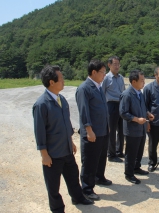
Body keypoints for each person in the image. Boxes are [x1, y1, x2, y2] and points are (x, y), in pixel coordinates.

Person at [33, 65, 93, 213]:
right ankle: (57, 208)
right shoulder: (41, 104)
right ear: (51, 82)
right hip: (53, 154)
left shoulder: (62, 100)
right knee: (53, 185)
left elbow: (66, 125)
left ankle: (78, 197)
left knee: (73, 177)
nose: (64, 81)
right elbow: (39, 132)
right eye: (61, 79)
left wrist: (71, 141)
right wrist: (44, 155)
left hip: (66, 149)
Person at [75, 59, 112, 202]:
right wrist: (89, 130)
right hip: (92, 133)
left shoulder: (98, 87)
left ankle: (99, 177)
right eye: (102, 72)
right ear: (94, 72)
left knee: (101, 157)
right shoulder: (84, 88)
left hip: (102, 130)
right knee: (89, 160)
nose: (104, 75)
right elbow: (84, 112)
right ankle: (87, 188)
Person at [119, 70, 154, 184]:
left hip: (141, 128)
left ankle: (136, 167)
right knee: (131, 152)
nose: (144, 82)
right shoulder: (127, 94)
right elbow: (123, 113)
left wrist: (147, 114)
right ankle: (129, 174)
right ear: (134, 81)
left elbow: (143, 107)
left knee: (139, 150)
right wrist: (136, 119)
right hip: (132, 129)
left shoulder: (140, 92)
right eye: (142, 80)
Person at [101, 56, 125, 163]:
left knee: (122, 130)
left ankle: (119, 151)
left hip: (121, 104)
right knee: (111, 131)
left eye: (118, 64)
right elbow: (101, 93)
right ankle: (111, 154)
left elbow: (123, 92)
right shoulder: (106, 78)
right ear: (109, 65)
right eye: (114, 64)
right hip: (110, 105)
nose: (117, 66)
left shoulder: (121, 78)